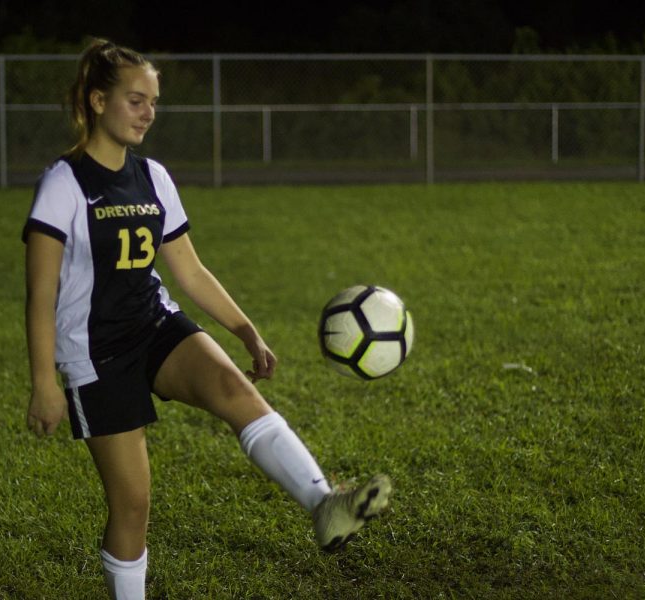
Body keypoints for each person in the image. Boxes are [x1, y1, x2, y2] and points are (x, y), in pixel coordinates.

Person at [22, 38, 392, 600]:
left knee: (231, 387)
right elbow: (40, 293)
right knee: (134, 502)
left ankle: (323, 504)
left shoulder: (154, 177)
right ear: (97, 101)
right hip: (94, 352)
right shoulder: (64, 184)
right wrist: (45, 384)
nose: (149, 112)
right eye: (135, 100)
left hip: (153, 325)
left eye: (153, 101)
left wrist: (245, 329)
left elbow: (189, 272)